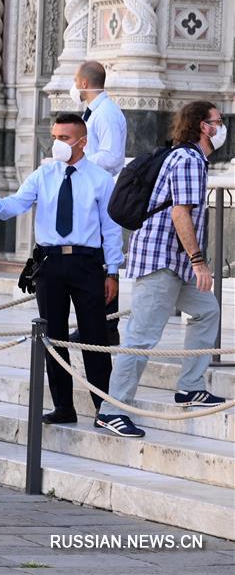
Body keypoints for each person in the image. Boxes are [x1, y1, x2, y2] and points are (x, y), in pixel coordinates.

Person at [0, 114, 123, 425]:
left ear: (82, 142)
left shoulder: (100, 179)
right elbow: (15, 205)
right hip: (50, 262)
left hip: (87, 263)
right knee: (52, 336)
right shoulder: (42, 175)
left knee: (95, 337)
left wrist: (113, 271)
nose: (57, 143)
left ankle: (104, 408)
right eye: (55, 136)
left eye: (65, 138)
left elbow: (111, 229)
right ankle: (63, 406)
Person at [97, 101, 228, 438]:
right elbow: (179, 213)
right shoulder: (186, 159)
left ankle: (190, 386)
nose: (222, 125)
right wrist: (200, 262)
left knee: (206, 311)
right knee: (141, 337)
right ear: (203, 126)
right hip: (161, 261)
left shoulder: (192, 159)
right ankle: (112, 410)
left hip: (176, 261)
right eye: (218, 120)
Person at [70, 60, 127, 345]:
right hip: (90, 191)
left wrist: (79, 160)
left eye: (74, 80)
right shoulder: (95, 112)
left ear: (83, 83)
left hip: (103, 192)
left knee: (103, 259)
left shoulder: (106, 114)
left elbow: (113, 156)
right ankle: (96, 323)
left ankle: (106, 325)